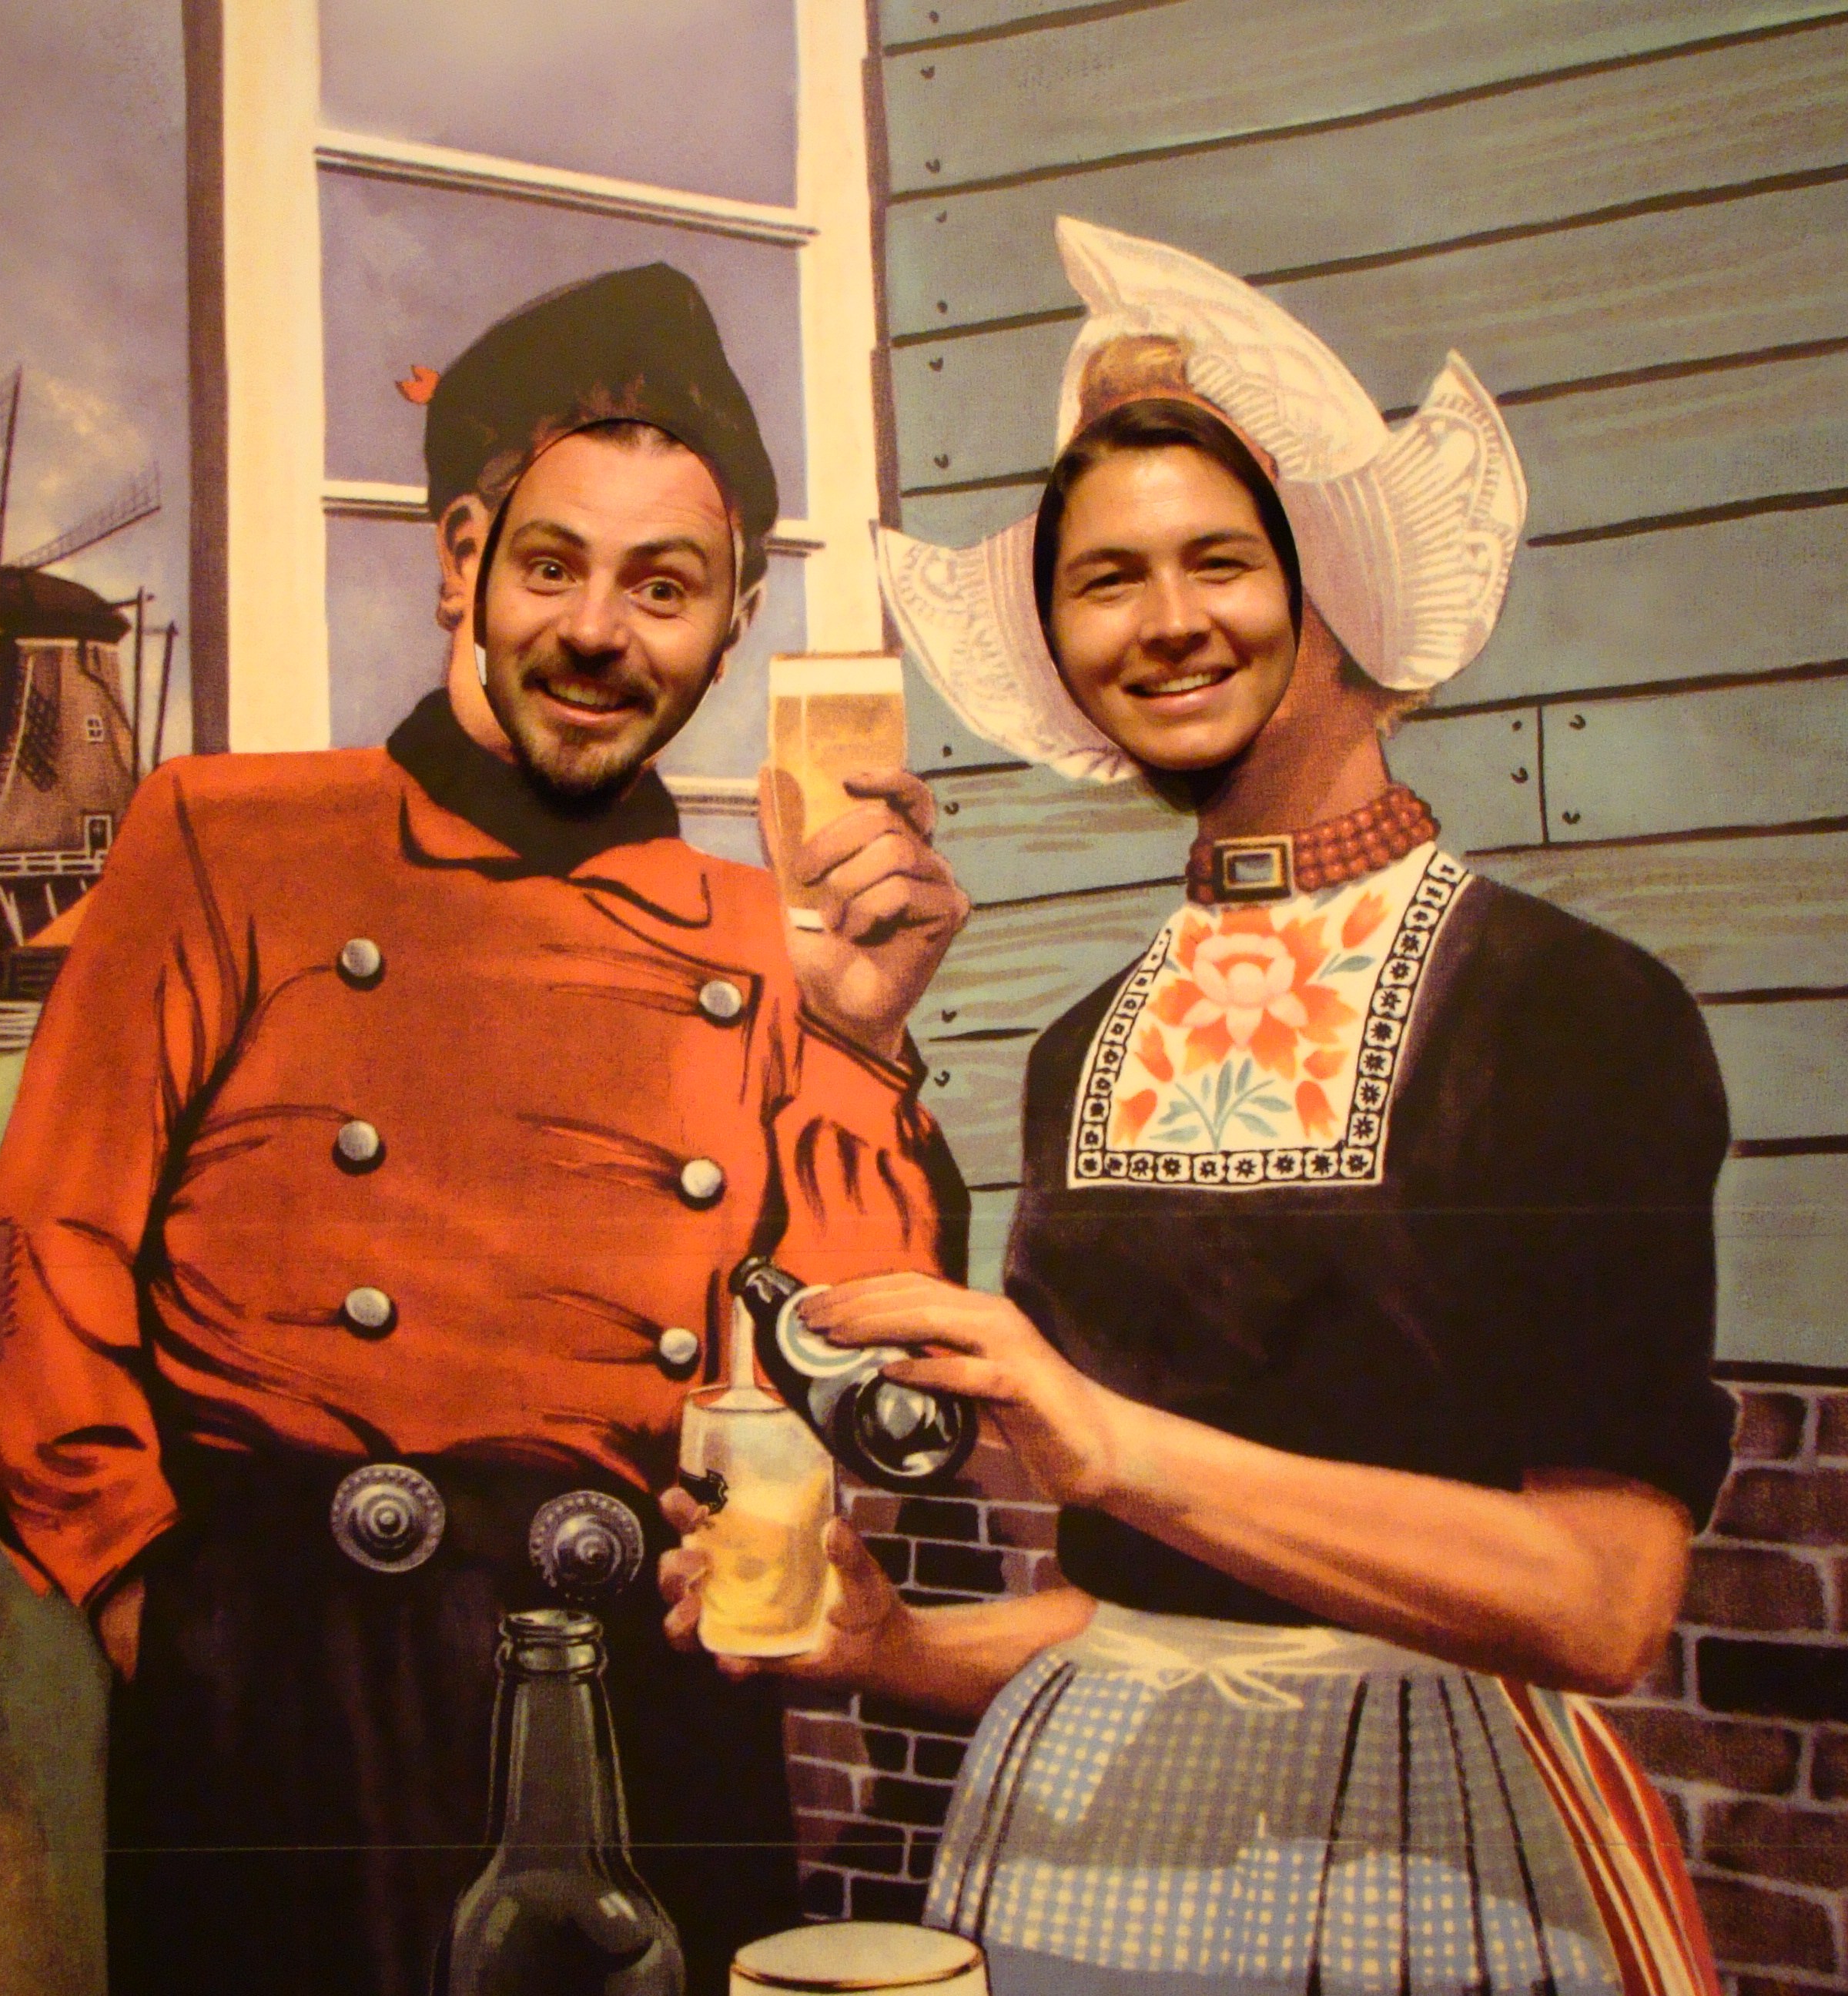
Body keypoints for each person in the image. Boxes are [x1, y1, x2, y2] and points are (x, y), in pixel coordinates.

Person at [661, 219, 1731, 1994]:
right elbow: (1134, 1622)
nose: (1164, 623)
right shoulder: (1087, 1046)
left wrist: (1109, 1441)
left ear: (1336, 588)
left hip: (1431, 1869)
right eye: (1106, 579)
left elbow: (1603, 1603)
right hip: (1078, 1863)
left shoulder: (1570, 1009)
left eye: (1219, 560)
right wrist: (895, 1645)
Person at [0, 262, 972, 1996]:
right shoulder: (228, 842)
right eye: (555, 565)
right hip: (297, 1685)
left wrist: (867, 1043)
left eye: (666, 587)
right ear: (462, 563)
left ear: (732, 625)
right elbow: (29, 1269)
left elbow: (860, 1368)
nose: (600, 633)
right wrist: (158, 1609)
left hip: (647, 1684)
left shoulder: (768, 936)